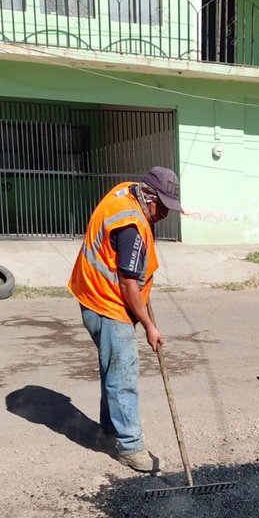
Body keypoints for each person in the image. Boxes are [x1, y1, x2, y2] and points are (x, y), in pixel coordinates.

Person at [68, 167, 182, 472]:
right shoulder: (130, 226)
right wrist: (149, 325)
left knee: (112, 368)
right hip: (106, 303)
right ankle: (131, 446)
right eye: (163, 207)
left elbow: (130, 274)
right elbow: (128, 284)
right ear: (149, 196)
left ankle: (107, 434)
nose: (164, 215)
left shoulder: (128, 193)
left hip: (91, 294)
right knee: (123, 375)